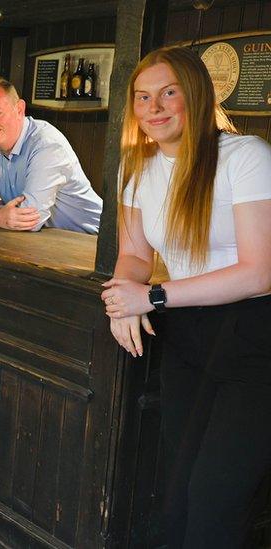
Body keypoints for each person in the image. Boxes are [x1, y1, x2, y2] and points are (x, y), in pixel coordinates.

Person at [101, 46, 271, 548]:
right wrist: (119, 298)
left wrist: (150, 297)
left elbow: (260, 273)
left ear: (195, 94)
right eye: (143, 97)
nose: (154, 108)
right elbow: (133, 254)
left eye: (168, 93)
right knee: (177, 488)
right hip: (187, 333)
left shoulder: (247, 157)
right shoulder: (136, 167)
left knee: (217, 495)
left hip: (256, 336)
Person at [0, 76, 102, 234]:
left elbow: (30, 220)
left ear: (19, 109)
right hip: (43, 243)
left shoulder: (46, 144)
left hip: (92, 243)